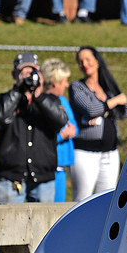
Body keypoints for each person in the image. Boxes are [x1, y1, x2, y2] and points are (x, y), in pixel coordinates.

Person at [0, 51, 69, 253]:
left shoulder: (50, 101)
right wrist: (19, 92)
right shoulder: (4, 99)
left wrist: (38, 96)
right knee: (5, 234)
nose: (29, 76)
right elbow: (0, 117)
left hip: (42, 178)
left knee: (42, 234)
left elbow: (59, 121)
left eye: (32, 71)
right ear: (15, 74)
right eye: (23, 71)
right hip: (10, 179)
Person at [69, 46, 127, 201]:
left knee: (107, 200)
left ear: (97, 61)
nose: (84, 63)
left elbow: (124, 110)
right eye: (80, 61)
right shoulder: (77, 87)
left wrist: (105, 107)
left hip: (110, 154)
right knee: (82, 200)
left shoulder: (107, 86)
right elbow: (92, 108)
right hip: (85, 153)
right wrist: (112, 103)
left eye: (88, 59)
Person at [40, 58, 78, 201]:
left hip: (61, 167)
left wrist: (73, 131)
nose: (67, 85)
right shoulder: (41, 103)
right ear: (55, 82)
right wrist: (62, 135)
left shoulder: (63, 101)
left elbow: (74, 126)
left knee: (58, 209)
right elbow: (39, 139)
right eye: (64, 81)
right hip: (46, 168)